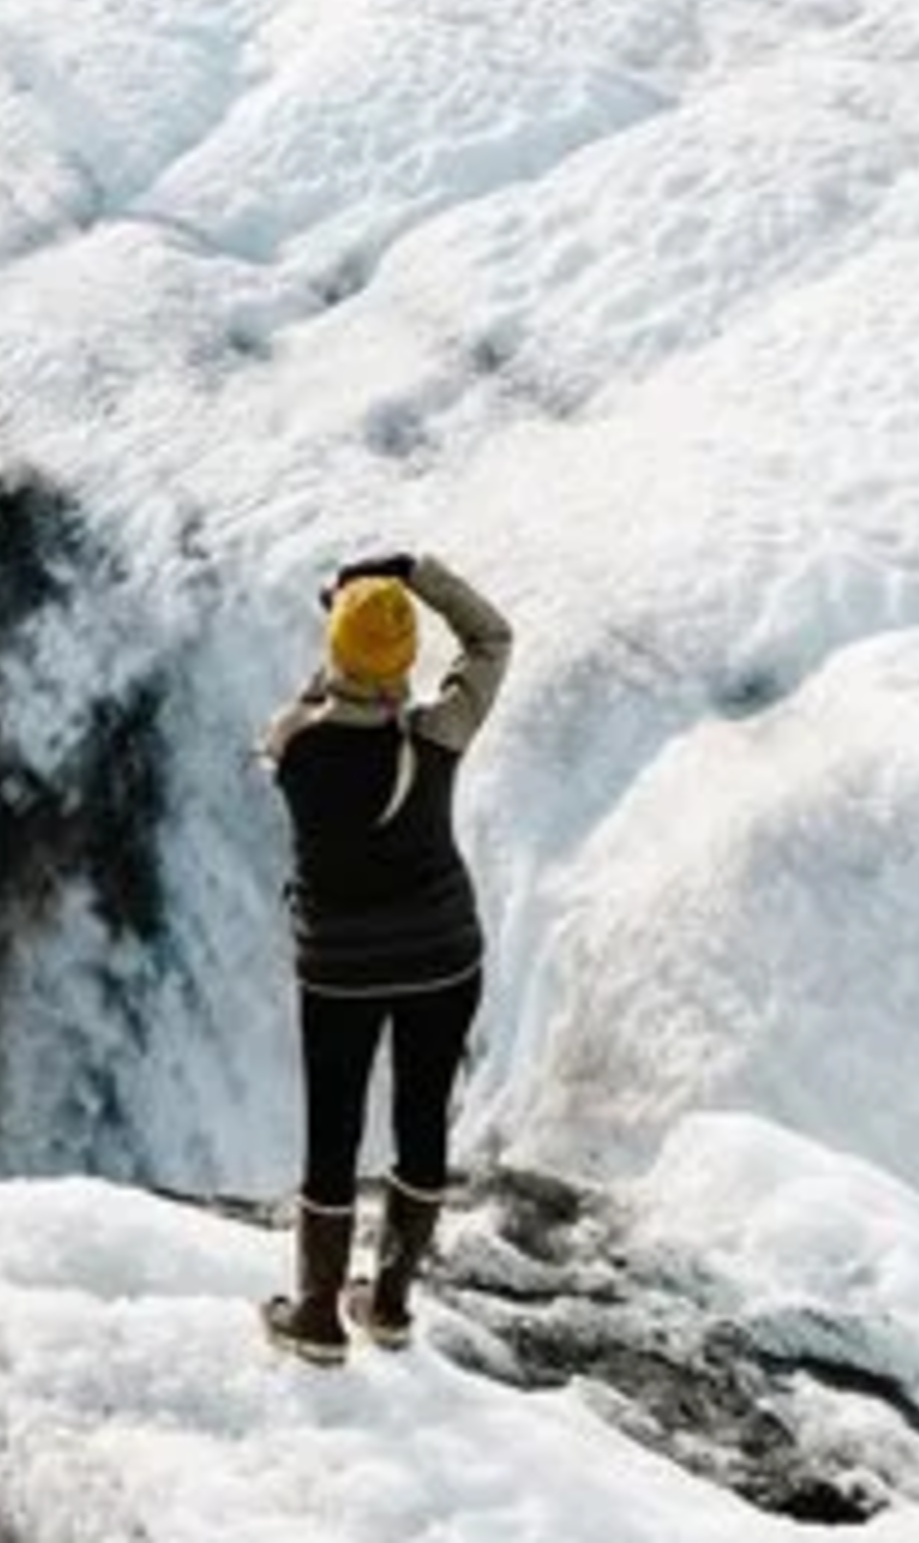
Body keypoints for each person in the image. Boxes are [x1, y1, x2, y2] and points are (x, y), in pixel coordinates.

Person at [255, 548, 514, 1364]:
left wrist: (347, 622)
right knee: (421, 1118)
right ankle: (392, 1306)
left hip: (339, 968)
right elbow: (491, 639)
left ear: (334, 650)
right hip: (443, 955)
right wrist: (419, 574)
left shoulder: (293, 742)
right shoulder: (438, 735)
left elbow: (320, 696)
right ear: (405, 662)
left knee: (331, 1134)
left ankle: (319, 1319)